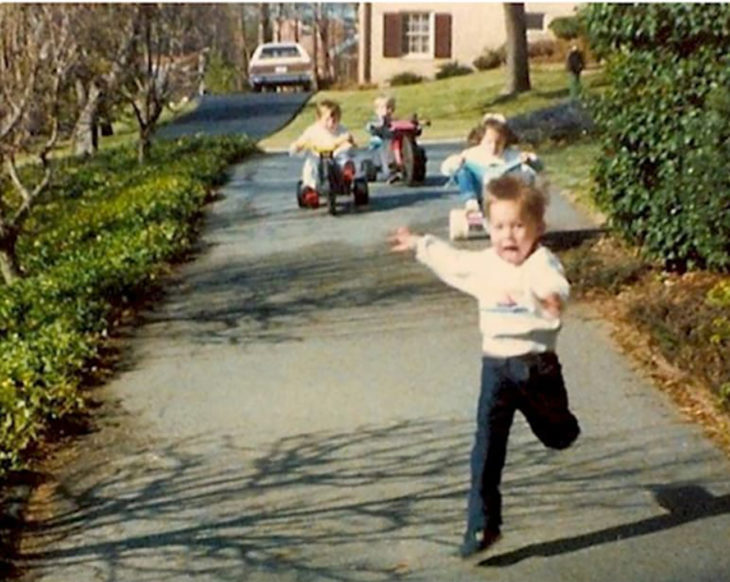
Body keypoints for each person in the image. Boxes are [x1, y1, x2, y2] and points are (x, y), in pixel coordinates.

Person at [389, 174, 580, 558]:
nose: (508, 236)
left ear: (538, 229)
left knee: (557, 436)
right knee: (487, 448)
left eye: (518, 226)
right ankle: (482, 525)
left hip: (537, 368)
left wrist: (551, 300)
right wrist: (419, 244)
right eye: (499, 227)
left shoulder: (541, 262)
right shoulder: (485, 265)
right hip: (495, 369)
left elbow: (554, 283)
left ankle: (563, 426)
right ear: (488, 228)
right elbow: (453, 262)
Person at [442, 113, 544, 222]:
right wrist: (456, 162)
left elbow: (538, 168)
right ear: (481, 139)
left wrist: (530, 160)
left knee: (523, 173)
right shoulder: (472, 154)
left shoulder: (512, 155)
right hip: (480, 192)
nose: (493, 147)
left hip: (504, 192)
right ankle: (471, 202)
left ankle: (519, 206)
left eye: (498, 143)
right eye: (489, 142)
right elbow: (445, 170)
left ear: (505, 141)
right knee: (463, 172)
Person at [290, 100, 356, 200]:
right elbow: (301, 142)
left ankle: (346, 173)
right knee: (310, 165)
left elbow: (349, 141)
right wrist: (298, 146)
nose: (331, 123)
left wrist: (348, 140)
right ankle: (310, 189)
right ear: (319, 119)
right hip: (318, 155)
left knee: (343, 156)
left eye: (334, 120)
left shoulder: (341, 129)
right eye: (327, 120)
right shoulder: (312, 130)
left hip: (335, 155)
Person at [365, 95, 399, 182]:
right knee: (385, 149)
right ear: (377, 110)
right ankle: (389, 172)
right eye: (385, 108)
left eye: (391, 108)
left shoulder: (394, 120)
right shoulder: (377, 121)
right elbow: (369, 127)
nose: (388, 110)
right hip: (379, 144)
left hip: (393, 142)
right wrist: (376, 127)